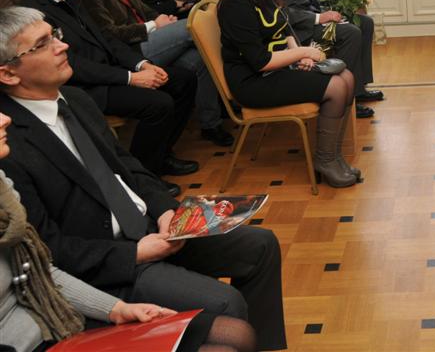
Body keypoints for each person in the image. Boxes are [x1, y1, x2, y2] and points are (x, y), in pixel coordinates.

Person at [0, 8, 286, 350]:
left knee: (260, 245)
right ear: (8, 73)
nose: (62, 46)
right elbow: (48, 249)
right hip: (109, 261)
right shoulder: (7, 145)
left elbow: (128, 167)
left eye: (55, 35)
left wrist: (165, 210)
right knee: (226, 303)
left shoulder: (75, 99)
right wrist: (135, 253)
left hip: (151, 227)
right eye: (43, 44)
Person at [0, 110, 256, 352]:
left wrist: (116, 309)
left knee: (240, 323)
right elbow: (55, 254)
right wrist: (132, 258)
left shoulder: (5, 187)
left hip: (58, 314)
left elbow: (39, 271)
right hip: (52, 322)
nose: (4, 119)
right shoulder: (15, 154)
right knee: (226, 314)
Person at [18, 0, 198, 186]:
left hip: (109, 72)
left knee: (183, 80)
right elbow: (73, 65)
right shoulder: (33, 12)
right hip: (83, 88)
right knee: (159, 103)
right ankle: (144, 175)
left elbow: (107, 40)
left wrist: (141, 65)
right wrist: (130, 78)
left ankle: (161, 155)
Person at [218, 0, 360, 187]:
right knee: (337, 86)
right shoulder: (235, 4)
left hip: (275, 70)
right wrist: (302, 53)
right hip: (253, 81)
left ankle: (334, 157)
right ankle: (326, 161)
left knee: (347, 77)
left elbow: (283, 30)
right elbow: (260, 61)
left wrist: (296, 51)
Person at [69, 0, 232, 148]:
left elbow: (143, 9)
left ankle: (211, 124)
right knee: (193, 26)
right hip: (130, 50)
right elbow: (109, 33)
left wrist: (162, 19)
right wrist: (154, 25)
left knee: (199, 59)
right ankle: (241, 75)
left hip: (150, 37)